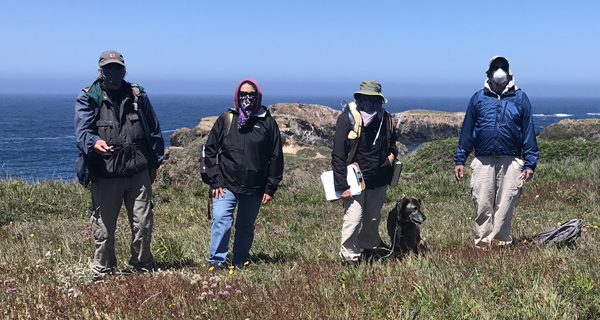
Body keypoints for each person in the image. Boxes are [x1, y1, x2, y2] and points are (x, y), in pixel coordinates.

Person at [74, 50, 165, 280]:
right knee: (104, 230)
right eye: (108, 68)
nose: (112, 72)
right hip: (106, 174)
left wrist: (154, 164)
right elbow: (82, 132)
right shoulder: (88, 97)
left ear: (124, 70)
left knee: (143, 225)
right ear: (99, 71)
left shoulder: (138, 95)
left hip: (138, 171)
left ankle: (142, 266)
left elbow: (154, 131)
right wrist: (95, 142)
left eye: (116, 68)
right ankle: (104, 270)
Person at [454, 56, 539, 249]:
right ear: (488, 73)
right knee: (482, 203)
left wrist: (530, 162)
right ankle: (482, 246)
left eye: (503, 68)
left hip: (512, 159)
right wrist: (460, 159)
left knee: (506, 205)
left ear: (509, 72)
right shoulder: (478, 98)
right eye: (496, 68)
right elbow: (467, 131)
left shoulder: (520, 97)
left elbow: (528, 131)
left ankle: (501, 245)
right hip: (482, 159)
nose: (499, 71)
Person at [204, 78, 284, 269]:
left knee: (246, 226)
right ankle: (216, 261)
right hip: (226, 183)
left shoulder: (268, 123)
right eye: (243, 94)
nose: (247, 98)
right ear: (236, 96)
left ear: (258, 97)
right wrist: (215, 181)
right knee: (221, 220)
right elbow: (209, 151)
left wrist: (270, 187)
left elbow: (276, 157)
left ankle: (240, 260)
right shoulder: (227, 119)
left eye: (251, 95)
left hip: (255, 186)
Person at [331, 80, 398, 264]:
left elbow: (393, 145)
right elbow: (338, 154)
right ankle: (350, 259)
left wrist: (389, 160)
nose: (369, 102)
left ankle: (368, 249)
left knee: (373, 219)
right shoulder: (347, 119)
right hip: (353, 181)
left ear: (379, 100)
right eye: (365, 98)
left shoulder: (386, 119)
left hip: (378, 180)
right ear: (359, 98)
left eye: (373, 98)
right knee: (353, 220)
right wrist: (341, 186)